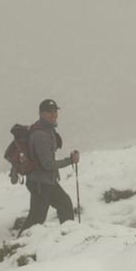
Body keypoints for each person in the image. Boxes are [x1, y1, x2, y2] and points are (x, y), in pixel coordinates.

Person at [22, 98, 80, 228]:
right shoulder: (41, 135)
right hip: (40, 183)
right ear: (41, 114)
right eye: (49, 112)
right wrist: (70, 160)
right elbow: (47, 164)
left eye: (55, 111)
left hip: (46, 181)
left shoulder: (47, 129)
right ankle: (21, 241)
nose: (54, 115)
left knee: (64, 204)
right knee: (36, 220)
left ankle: (68, 233)